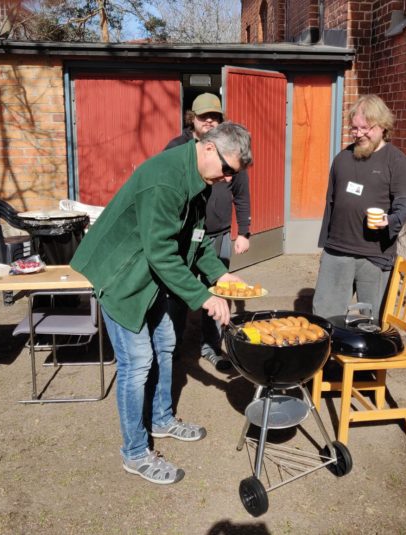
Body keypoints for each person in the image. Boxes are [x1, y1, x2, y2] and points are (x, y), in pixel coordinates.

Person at [70, 121, 253, 485]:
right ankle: (135, 453)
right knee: (137, 363)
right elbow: (161, 252)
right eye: (228, 169)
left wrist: (219, 276)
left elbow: (197, 240)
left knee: (166, 344)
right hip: (121, 276)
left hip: (152, 278)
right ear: (208, 148)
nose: (229, 179)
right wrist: (203, 297)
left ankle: (161, 418)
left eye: (235, 174)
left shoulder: (200, 181)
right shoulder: (166, 179)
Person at [164, 92, 251, 372]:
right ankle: (172, 346)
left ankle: (211, 347)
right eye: (204, 116)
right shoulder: (177, 149)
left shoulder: (231, 151)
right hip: (186, 238)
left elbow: (242, 193)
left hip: (220, 235)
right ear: (193, 118)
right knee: (179, 292)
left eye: (215, 116)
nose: (210, 121)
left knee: (218, 292)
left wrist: (244, 231)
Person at [313, 95, 406, 322]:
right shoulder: (342, 159)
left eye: (365, 128)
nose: (358, 134)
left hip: (374, 256)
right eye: (354, 128)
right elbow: (331, 203)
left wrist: (389, 221)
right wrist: (327, 246)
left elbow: (403, 204)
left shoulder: (396, 161)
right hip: (337, 251)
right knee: (325, 318)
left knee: (371, 323)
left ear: (383, 126)